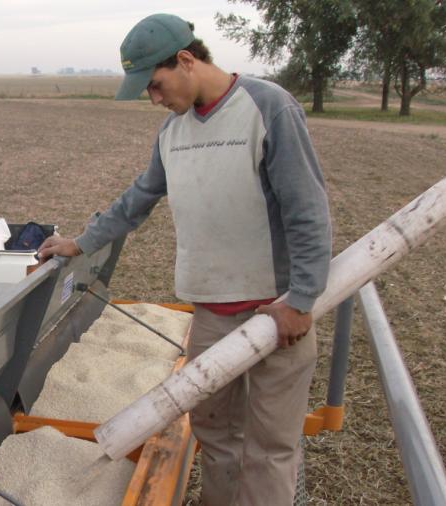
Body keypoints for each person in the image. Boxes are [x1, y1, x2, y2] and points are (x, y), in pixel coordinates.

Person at [37, 13, 331, 506]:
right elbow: (139, 198)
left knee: (269, 449)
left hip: (274, 313)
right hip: (212, 315)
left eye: (155, 85)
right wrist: (82, 242)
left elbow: (308, 211)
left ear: (187, 60)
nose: (154, 99)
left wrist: (300, 299)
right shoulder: (173, 132)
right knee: (216, 438)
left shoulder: (267, 108)